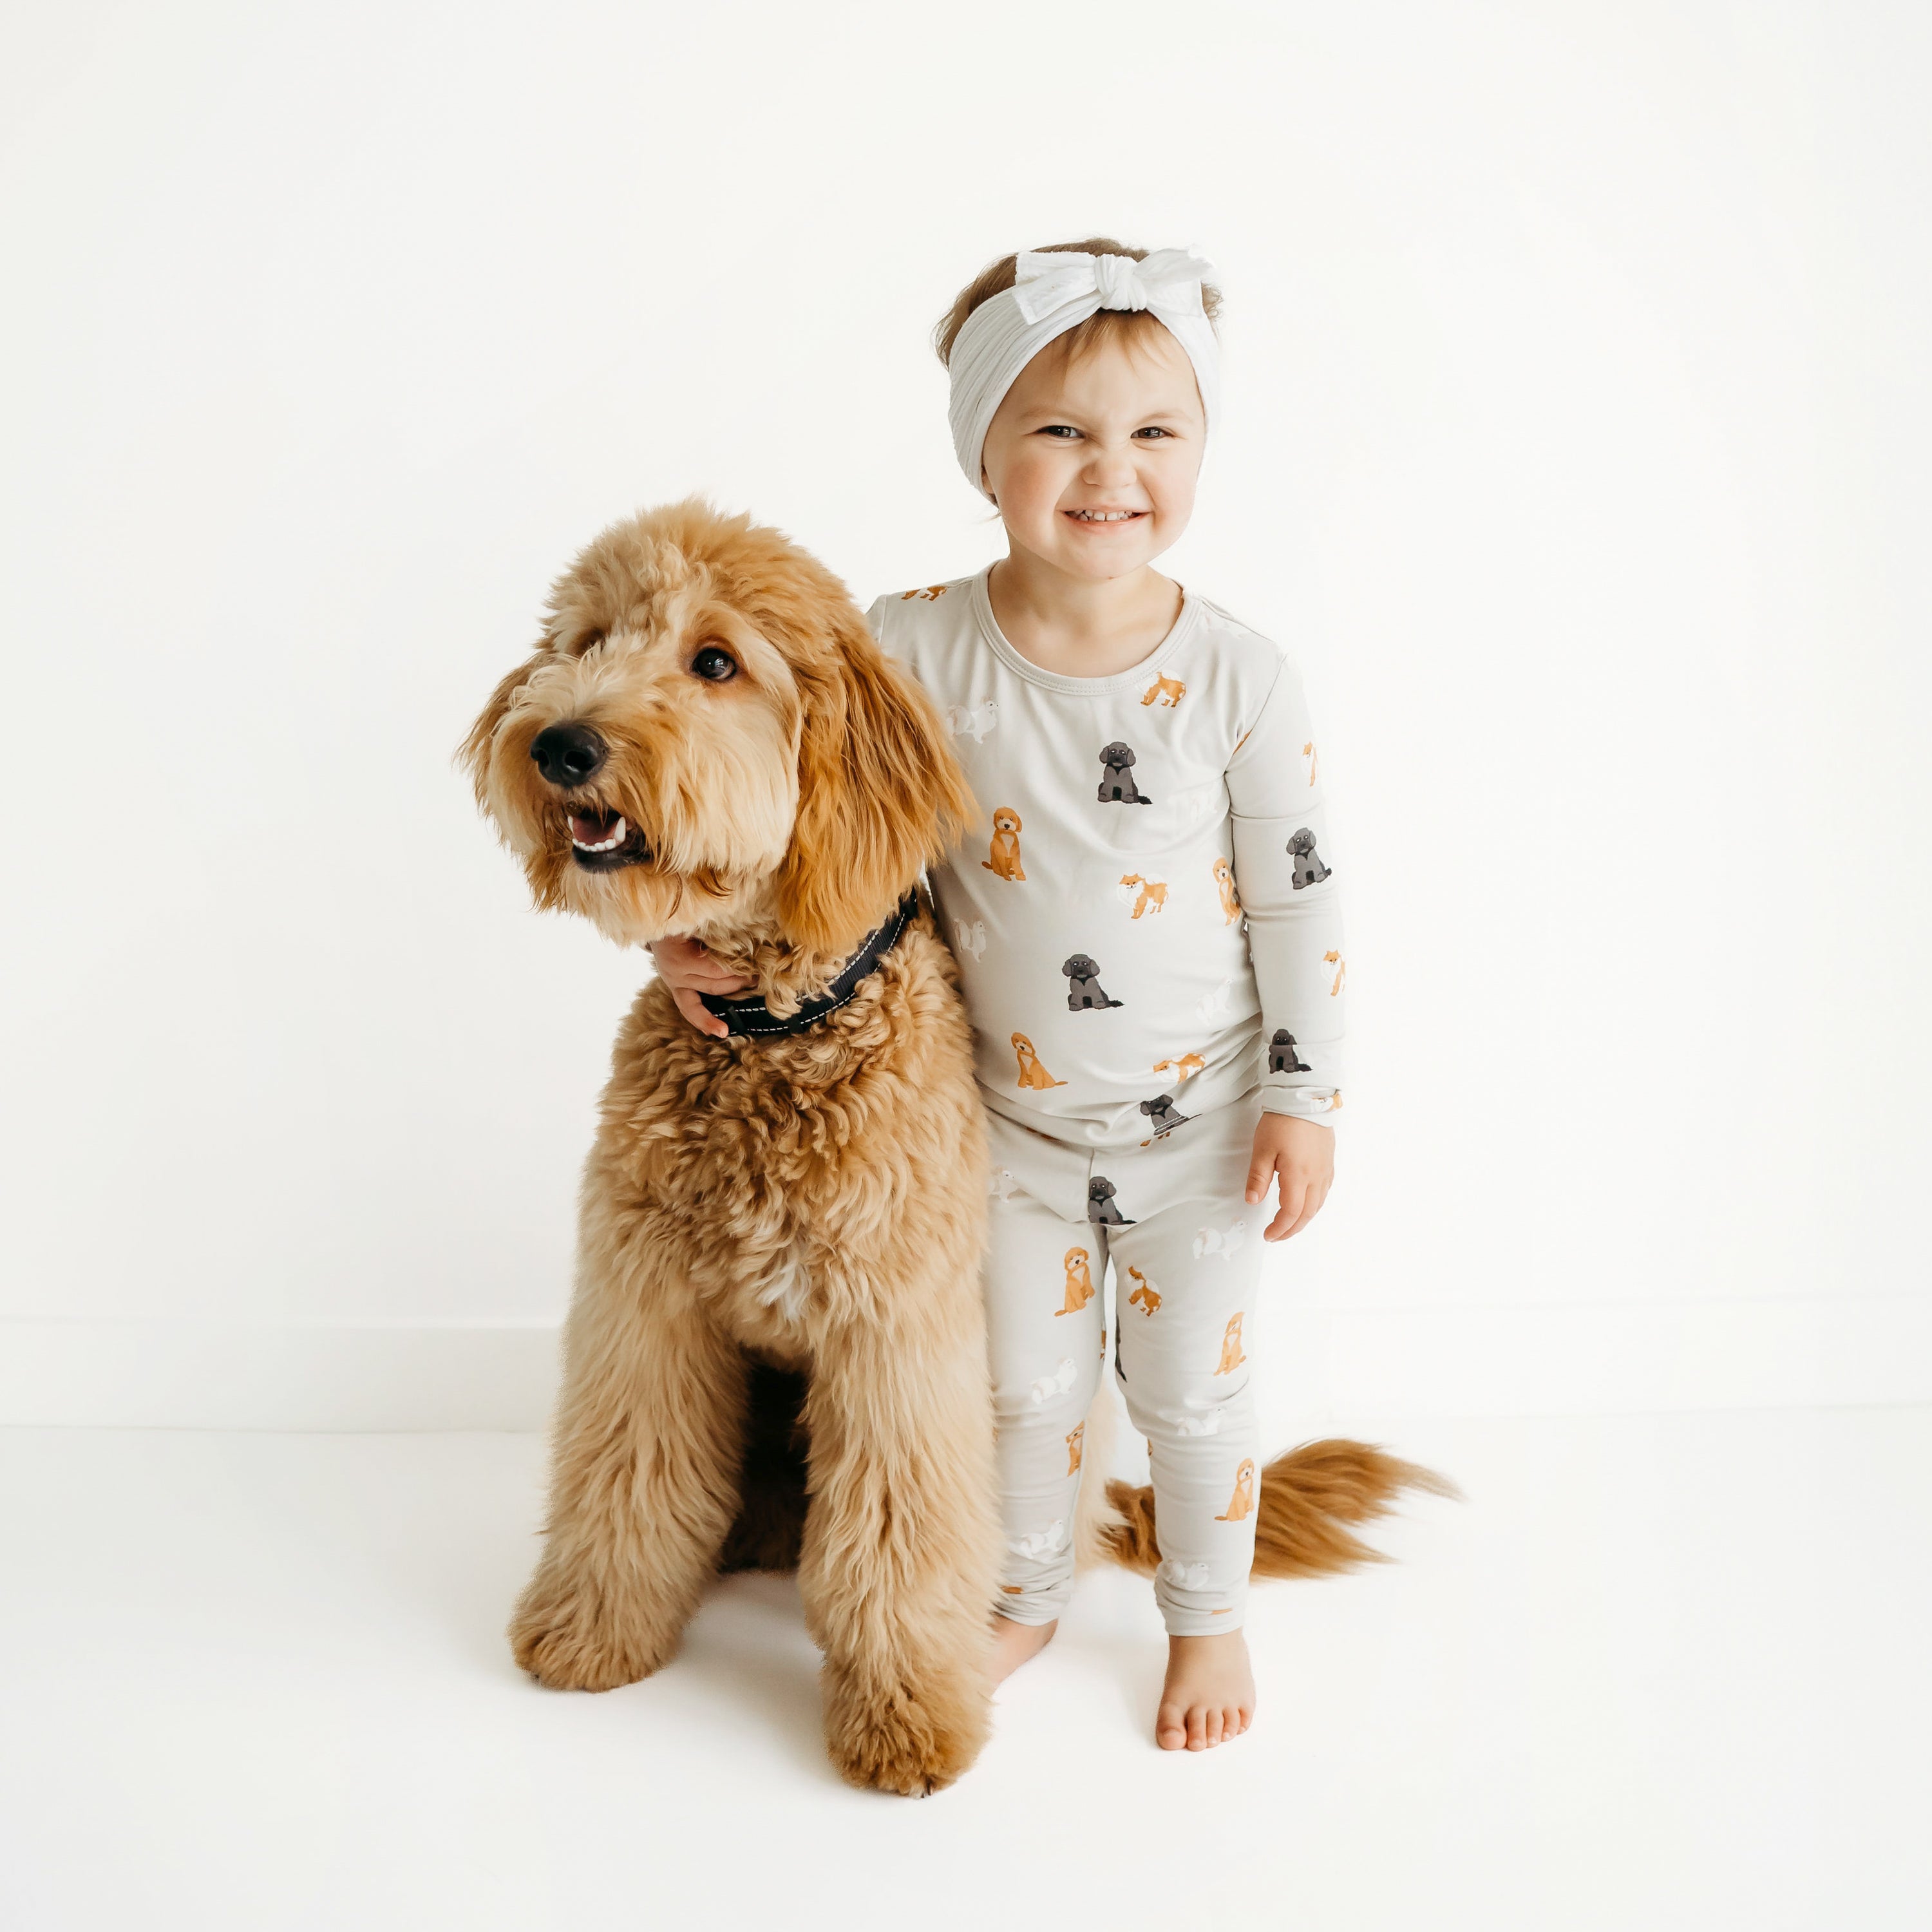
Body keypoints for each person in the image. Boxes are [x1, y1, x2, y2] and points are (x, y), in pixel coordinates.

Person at [651, 239, 1345, 1752]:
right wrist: (711, 944)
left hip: (1204, 1131)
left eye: (1157, 431)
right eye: (1062, 431)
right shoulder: (910, 647)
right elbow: (806, 816)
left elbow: (1301, 897)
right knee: (1021, 1395)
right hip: (1004, 1127)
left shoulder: (1242, 677)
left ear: (1201, 452)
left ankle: (1206, 1622)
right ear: (985, 453)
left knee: (1190, 1401)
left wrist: (1304, 1095)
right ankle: (1023, 1592)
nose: (1112, 471)